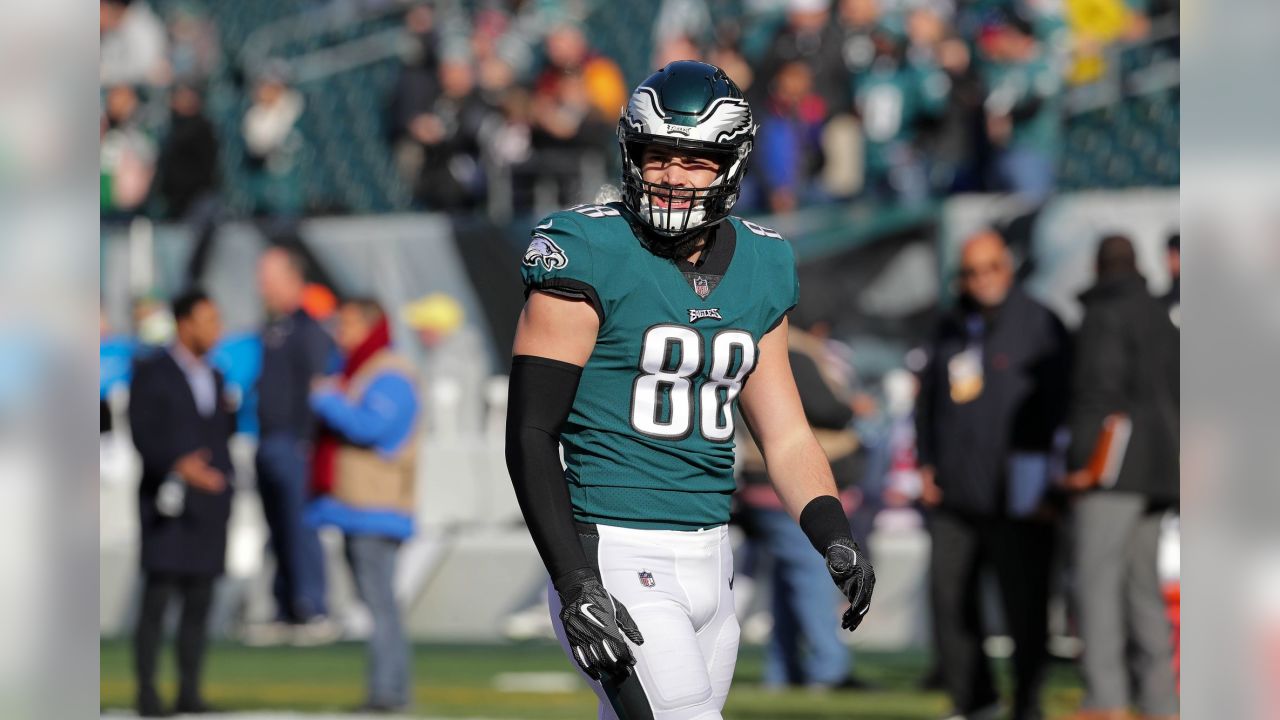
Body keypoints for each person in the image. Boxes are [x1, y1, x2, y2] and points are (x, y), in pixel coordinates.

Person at [505, 61, 876, 720]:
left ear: (729, 165)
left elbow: (785, 432)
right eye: (657, 156)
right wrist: (573, 578)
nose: (673, 175)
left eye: (695, 160)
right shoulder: (586, 247)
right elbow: (530, 433)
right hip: (615, 548)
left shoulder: (764, 263)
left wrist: (833, 534)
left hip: (713, 552)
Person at [914, 230, 1071, 720]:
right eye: (969, 272)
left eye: (990, 268)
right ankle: (974, 700)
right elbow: (927, 404)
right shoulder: (950, 326)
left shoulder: (1041, 324)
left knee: (1024, 605)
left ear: (1007, 267)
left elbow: (1063, 410)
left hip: (1020, 494)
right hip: (954, 492)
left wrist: (1052, 485)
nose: (980, 280)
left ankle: (1026, 702)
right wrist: (925, 462)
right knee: (950, 600)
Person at [1061, 235, 1179, 720]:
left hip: (1113, 470)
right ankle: (1161, 703)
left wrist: (1081, 466)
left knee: (1096, 583)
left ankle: (1105, 698)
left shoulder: (1103, 314)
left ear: (1096, 264)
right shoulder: (1159, 315)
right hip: (1160, 470)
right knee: (1143, 591)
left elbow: (1098, 392)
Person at [737, 311, 867, 690]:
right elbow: (824, 408)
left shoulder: (756, 338)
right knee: (812, 579)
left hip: (763, 487)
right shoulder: (796, 350)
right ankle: (830, 669)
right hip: (785, 491)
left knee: (788, 585)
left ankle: (783, 670)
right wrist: (851, 408)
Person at [306, 299, 420, 713]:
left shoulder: (388, 373)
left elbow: (372, 427)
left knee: (380, 604)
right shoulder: (357, 368)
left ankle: (388, 691)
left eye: (349, 323)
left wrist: (326, 400)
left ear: (371, 326)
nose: (341, 331)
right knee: (375, 604)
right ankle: (388, 688)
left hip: (377, 506)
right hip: (359, 505)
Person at [128, 290, 234, 717]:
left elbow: (222, 436)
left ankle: (190, 690)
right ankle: (147, 691)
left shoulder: (217, 377)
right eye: (208, 320)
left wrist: (221, 480)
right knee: (158, 599)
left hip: (208, 506)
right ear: (185, 323)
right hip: (166, 504)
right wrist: (178, 465)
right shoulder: (152, 372)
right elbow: (142, 433)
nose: (216, 330)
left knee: (199, 600)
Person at [247, 248, 338, 645]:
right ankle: (285, 606)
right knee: (276, 527)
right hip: (267, 439)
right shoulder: (273, 328)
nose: (260, 286)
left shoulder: (308, 329)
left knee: (300, 525)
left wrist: (306, 439)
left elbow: (318, 389)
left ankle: (312, 607)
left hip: (294, 442)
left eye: (267, 276)